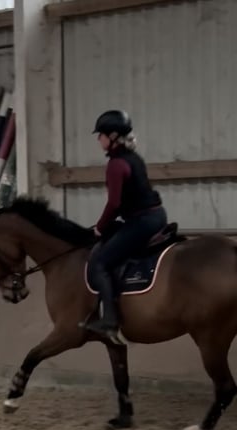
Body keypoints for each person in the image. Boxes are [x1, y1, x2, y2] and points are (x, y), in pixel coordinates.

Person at [81, 109, 168, 344]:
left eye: (100, 135)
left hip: (142, 222)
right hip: (156, 216)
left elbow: (114, 203)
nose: (98, 140)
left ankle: (109, 321)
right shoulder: (133, 158)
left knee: (99, 262)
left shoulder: (116, 165)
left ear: (112, 136)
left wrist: (99, 227)